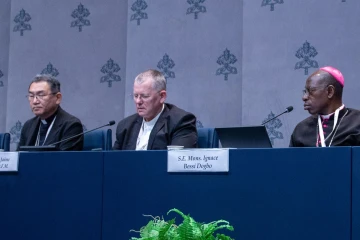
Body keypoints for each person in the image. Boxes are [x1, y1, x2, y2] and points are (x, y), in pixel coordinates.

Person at [113, 69, 198, 150]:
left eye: (145, 96)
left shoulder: (180, 122)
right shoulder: (125, 126)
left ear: (162, 96)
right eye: (135, 96)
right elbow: (113, 161)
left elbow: (177, 161)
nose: (138, 101)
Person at [290, 66, 360, 147]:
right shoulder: (300, 129)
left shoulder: (357, 122)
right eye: (305, 91)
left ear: (330, 92)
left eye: (311, 90)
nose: (304, 97)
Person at [17, 74, 83, 151]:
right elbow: (18, 157)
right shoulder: (28, 126)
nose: (35, 101)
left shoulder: (71, 125)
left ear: (58, 98)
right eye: (31, 96)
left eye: (41, 95)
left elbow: (65, 161)